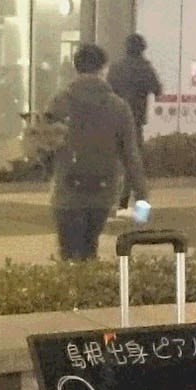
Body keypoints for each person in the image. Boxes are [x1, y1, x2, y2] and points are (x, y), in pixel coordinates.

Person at [47, 44, 148, 262]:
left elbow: (46, 147)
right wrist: (142, 199)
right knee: (90, 247)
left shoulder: (59, 102)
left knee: (69, 253)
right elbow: (131, 155)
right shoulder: (119, 107)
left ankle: (70, 289)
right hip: (103, 192)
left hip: (67, 190)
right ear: (104, 68)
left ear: (76, 67)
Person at [107, 33, 162, 207]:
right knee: (133, 161)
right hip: (135, 120)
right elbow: (157, 89)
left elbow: (108, 91)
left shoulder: (116, 68)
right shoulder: (145, 68)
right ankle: (131, 200)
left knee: (114, 160)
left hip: (115, 119)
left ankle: (113, 196)